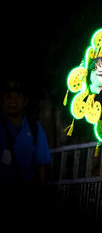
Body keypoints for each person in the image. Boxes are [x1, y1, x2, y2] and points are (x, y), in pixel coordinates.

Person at [0, 79, 51, 221]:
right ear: (1, 102)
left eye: (17, 97)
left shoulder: (34, 128)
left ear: (25, 101)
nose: (13, 101)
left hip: (27, 197)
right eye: (8, 97)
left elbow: (41, 166)